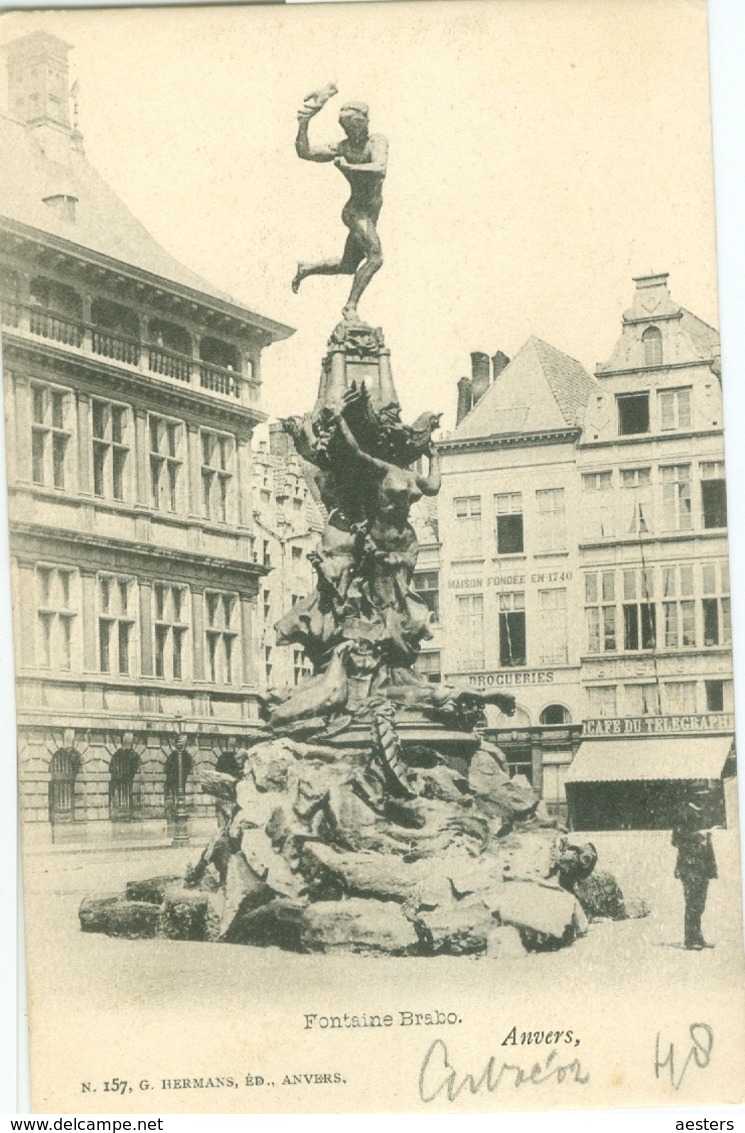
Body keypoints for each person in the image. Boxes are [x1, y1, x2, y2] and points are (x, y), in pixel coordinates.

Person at [293, 92, 388, 322]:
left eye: (354, 125)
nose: (350, 132)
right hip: (355, 212)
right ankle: (350, 307)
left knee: (347, 266)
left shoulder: (377, 141)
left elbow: (379, 168)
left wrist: (347, 167)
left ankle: (307, 268)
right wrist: (304, 123)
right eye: (346, 127)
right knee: (375, 257)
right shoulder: (343, 147)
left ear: (364, 122)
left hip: (371, 213)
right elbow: (304, 152)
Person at [671, 800, 717, 950]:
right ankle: (690, 939)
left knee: (700, 904)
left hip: (702, 866)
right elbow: (676, 840)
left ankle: (698, 936)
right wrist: (696, 836)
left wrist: (711, 869)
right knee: (692, 904)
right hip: (690, 867)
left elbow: (707, 844)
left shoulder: (702, 811)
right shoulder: (683, 814)